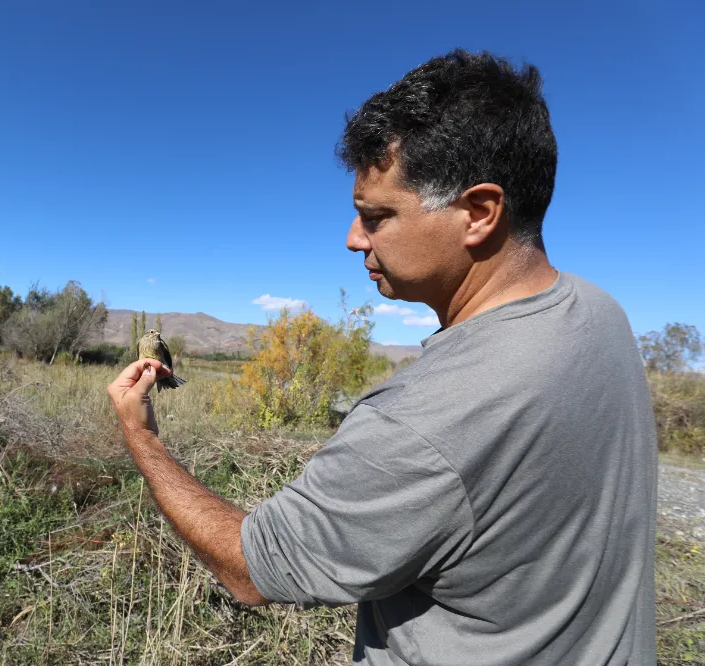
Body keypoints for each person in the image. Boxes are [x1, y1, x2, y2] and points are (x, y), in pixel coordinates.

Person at [107, 49, 657, 665]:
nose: (352, 238)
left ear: (479, 212)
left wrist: (142, 437)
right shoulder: (598, 312)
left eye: (376, 216)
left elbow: (252, 568)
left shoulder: (424, 418)